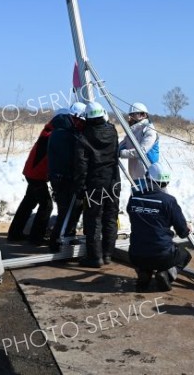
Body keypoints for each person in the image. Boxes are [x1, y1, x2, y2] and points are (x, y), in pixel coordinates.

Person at [128, 163, 192, 292]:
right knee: (185, 255)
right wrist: (187, 228)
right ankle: (166, 274)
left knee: (146, 250)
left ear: (148, 179)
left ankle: (144, 272)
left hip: (135, 254)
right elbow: (182, 232)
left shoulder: (134, 198)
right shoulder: (169, 201)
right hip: (161, 255)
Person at [74, 101, 120, 268]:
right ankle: (108, 254)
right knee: (110, 217)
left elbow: (81, 164)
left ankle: (95, 257)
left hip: (95, 184)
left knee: (93, 219)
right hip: (114, 181)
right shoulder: (112, 131)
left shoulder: (84, 135)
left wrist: (80, 187)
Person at [8, 120, 54, 244]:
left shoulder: (48, 132)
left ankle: (15, 233)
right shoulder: (53, 136)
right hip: (36, 175)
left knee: (28, 202)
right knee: (46, 205)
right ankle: (36, 237)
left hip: (32, 173)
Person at [48, 102, 86, 250]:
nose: (83, 124)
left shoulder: (62, 130)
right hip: (63, 178)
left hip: (60, 176)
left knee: (71, 209)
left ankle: (67, 238)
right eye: (82, 121)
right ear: (75, 117)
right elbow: (71, 159)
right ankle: (57, 242)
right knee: (67, 210)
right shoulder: (65, 134)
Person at [119, 102, 160, 180]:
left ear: (143, 115)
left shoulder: (149, 130)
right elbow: (123, 145)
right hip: (135, 174)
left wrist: (121, 153)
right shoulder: (132, 131)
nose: (130, 118)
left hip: (148, 174)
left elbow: (141, 151)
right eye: (130, 115)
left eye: (134, 115)